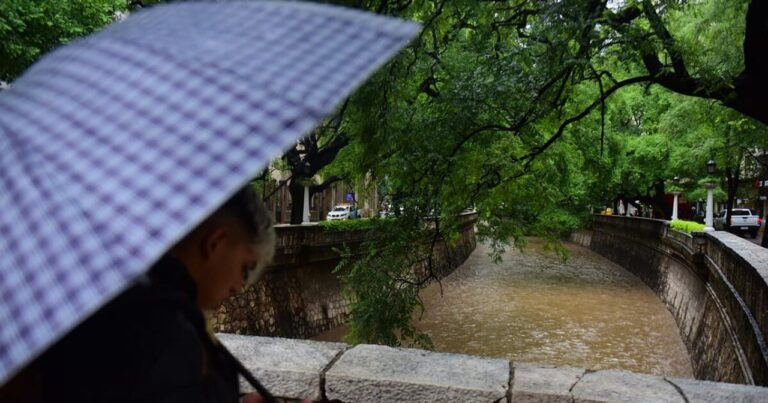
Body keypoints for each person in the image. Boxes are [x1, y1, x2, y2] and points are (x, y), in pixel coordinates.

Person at [0, 186, 276, 402]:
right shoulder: (163, 331)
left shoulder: (119, 301)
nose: (240, 286)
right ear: (215, 242)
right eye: (245, 268)